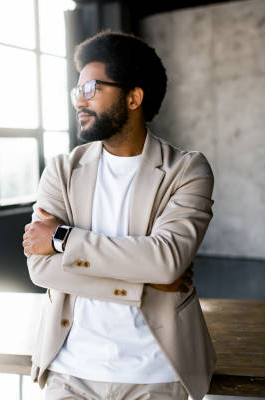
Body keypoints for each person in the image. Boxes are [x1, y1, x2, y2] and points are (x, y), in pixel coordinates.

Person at [22, 30, 216, 400]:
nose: (80, 101)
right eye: (77, 91)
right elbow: (40, 268)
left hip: (156, 372)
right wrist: (143, 281)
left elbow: (166, 261)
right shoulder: (62, 170)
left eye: (92, 88)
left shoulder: (187, 170)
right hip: (69, 371)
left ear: (133, 97)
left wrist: (62, 239)